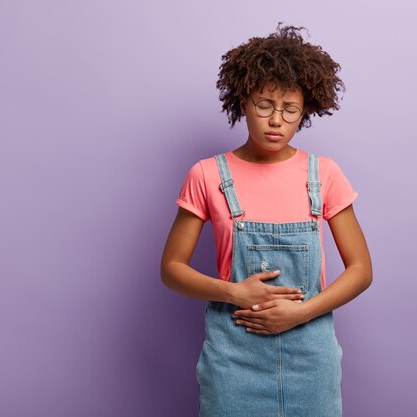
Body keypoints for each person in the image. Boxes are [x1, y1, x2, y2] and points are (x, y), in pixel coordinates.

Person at [160, 24, 372, 417]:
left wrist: (302, 312)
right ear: (243, 102)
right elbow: (171, 269)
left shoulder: (324, 174)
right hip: (233, 358)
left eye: (290, 109)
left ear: (305, 111)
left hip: (312, 357)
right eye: (265, 105)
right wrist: (234, 293)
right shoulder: (207, 175)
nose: (276, 120)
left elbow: (361, 270)